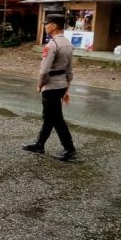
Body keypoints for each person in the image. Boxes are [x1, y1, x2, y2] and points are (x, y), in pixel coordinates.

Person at [22, 14, 77, 162]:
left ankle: (70, 148)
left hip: (51, 85)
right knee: (49, 116)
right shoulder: (68, 44)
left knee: (56, 118)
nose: (45, 26)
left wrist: (40, 84)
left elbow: (44, 70)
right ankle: (40, 144)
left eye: (47, 24)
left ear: (54, 26)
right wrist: (67, 89)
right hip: (61, 84)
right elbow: (70, 70)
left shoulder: (52, 45)